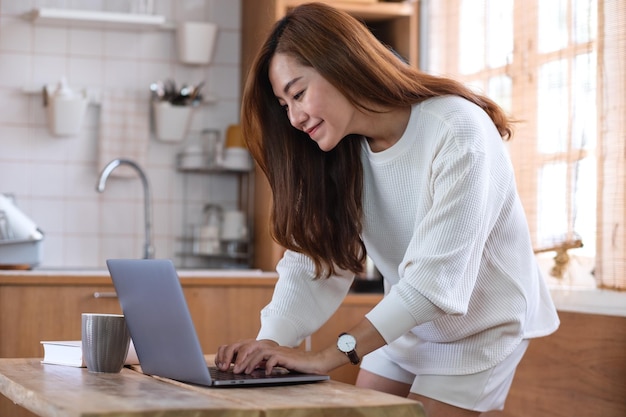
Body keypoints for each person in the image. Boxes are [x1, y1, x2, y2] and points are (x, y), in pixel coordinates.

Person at [215, 3, 559, 416]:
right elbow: (315, 261)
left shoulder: (456, 129)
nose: (295, 118)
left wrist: (328, 356)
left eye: (299, 94)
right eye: (285, 106)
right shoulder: (342, 150)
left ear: (342, 64)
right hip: (409, 324)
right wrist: (270, 343)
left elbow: (434, 284)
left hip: (479, 330)